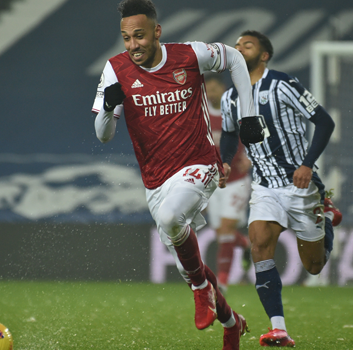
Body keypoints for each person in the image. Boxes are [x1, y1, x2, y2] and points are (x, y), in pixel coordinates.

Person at [91, 1, 268, 348]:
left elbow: (233, 58)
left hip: (199, 163)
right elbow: (103, 135)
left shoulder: (189, 56)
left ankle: (202, 292)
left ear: (157, 32)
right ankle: (232, 323)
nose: (132, 45)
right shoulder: (115, 70)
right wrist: (110, 108)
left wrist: (248, 115)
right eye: (126, 38)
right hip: (155, 182)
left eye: (139, 36)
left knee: (176, 224)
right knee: (192, 266)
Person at [220, 30, 343, 347]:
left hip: (299, 184)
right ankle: (279, 329)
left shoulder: (282, 84)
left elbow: (325, 122)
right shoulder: (230, 96)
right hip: (264, 187)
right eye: (236, 46)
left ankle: (325, 214)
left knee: (313, 267)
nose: (239, 49)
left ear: (263, 55)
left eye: (247, 45)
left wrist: (307, 164)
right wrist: (224, 162)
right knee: (259, 242)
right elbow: (230, 134)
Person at [204, 73, 252, 295]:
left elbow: (256, 132)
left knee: (225, 229)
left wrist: (250, 156)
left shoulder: (235, 110)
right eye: (208, 89)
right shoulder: (200, 114)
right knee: (221, 231)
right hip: (213, 182)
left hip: (236, 182)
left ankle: (222, 281)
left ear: (222, 89)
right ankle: (245, 244)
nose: (211, 93)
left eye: (214, 88)